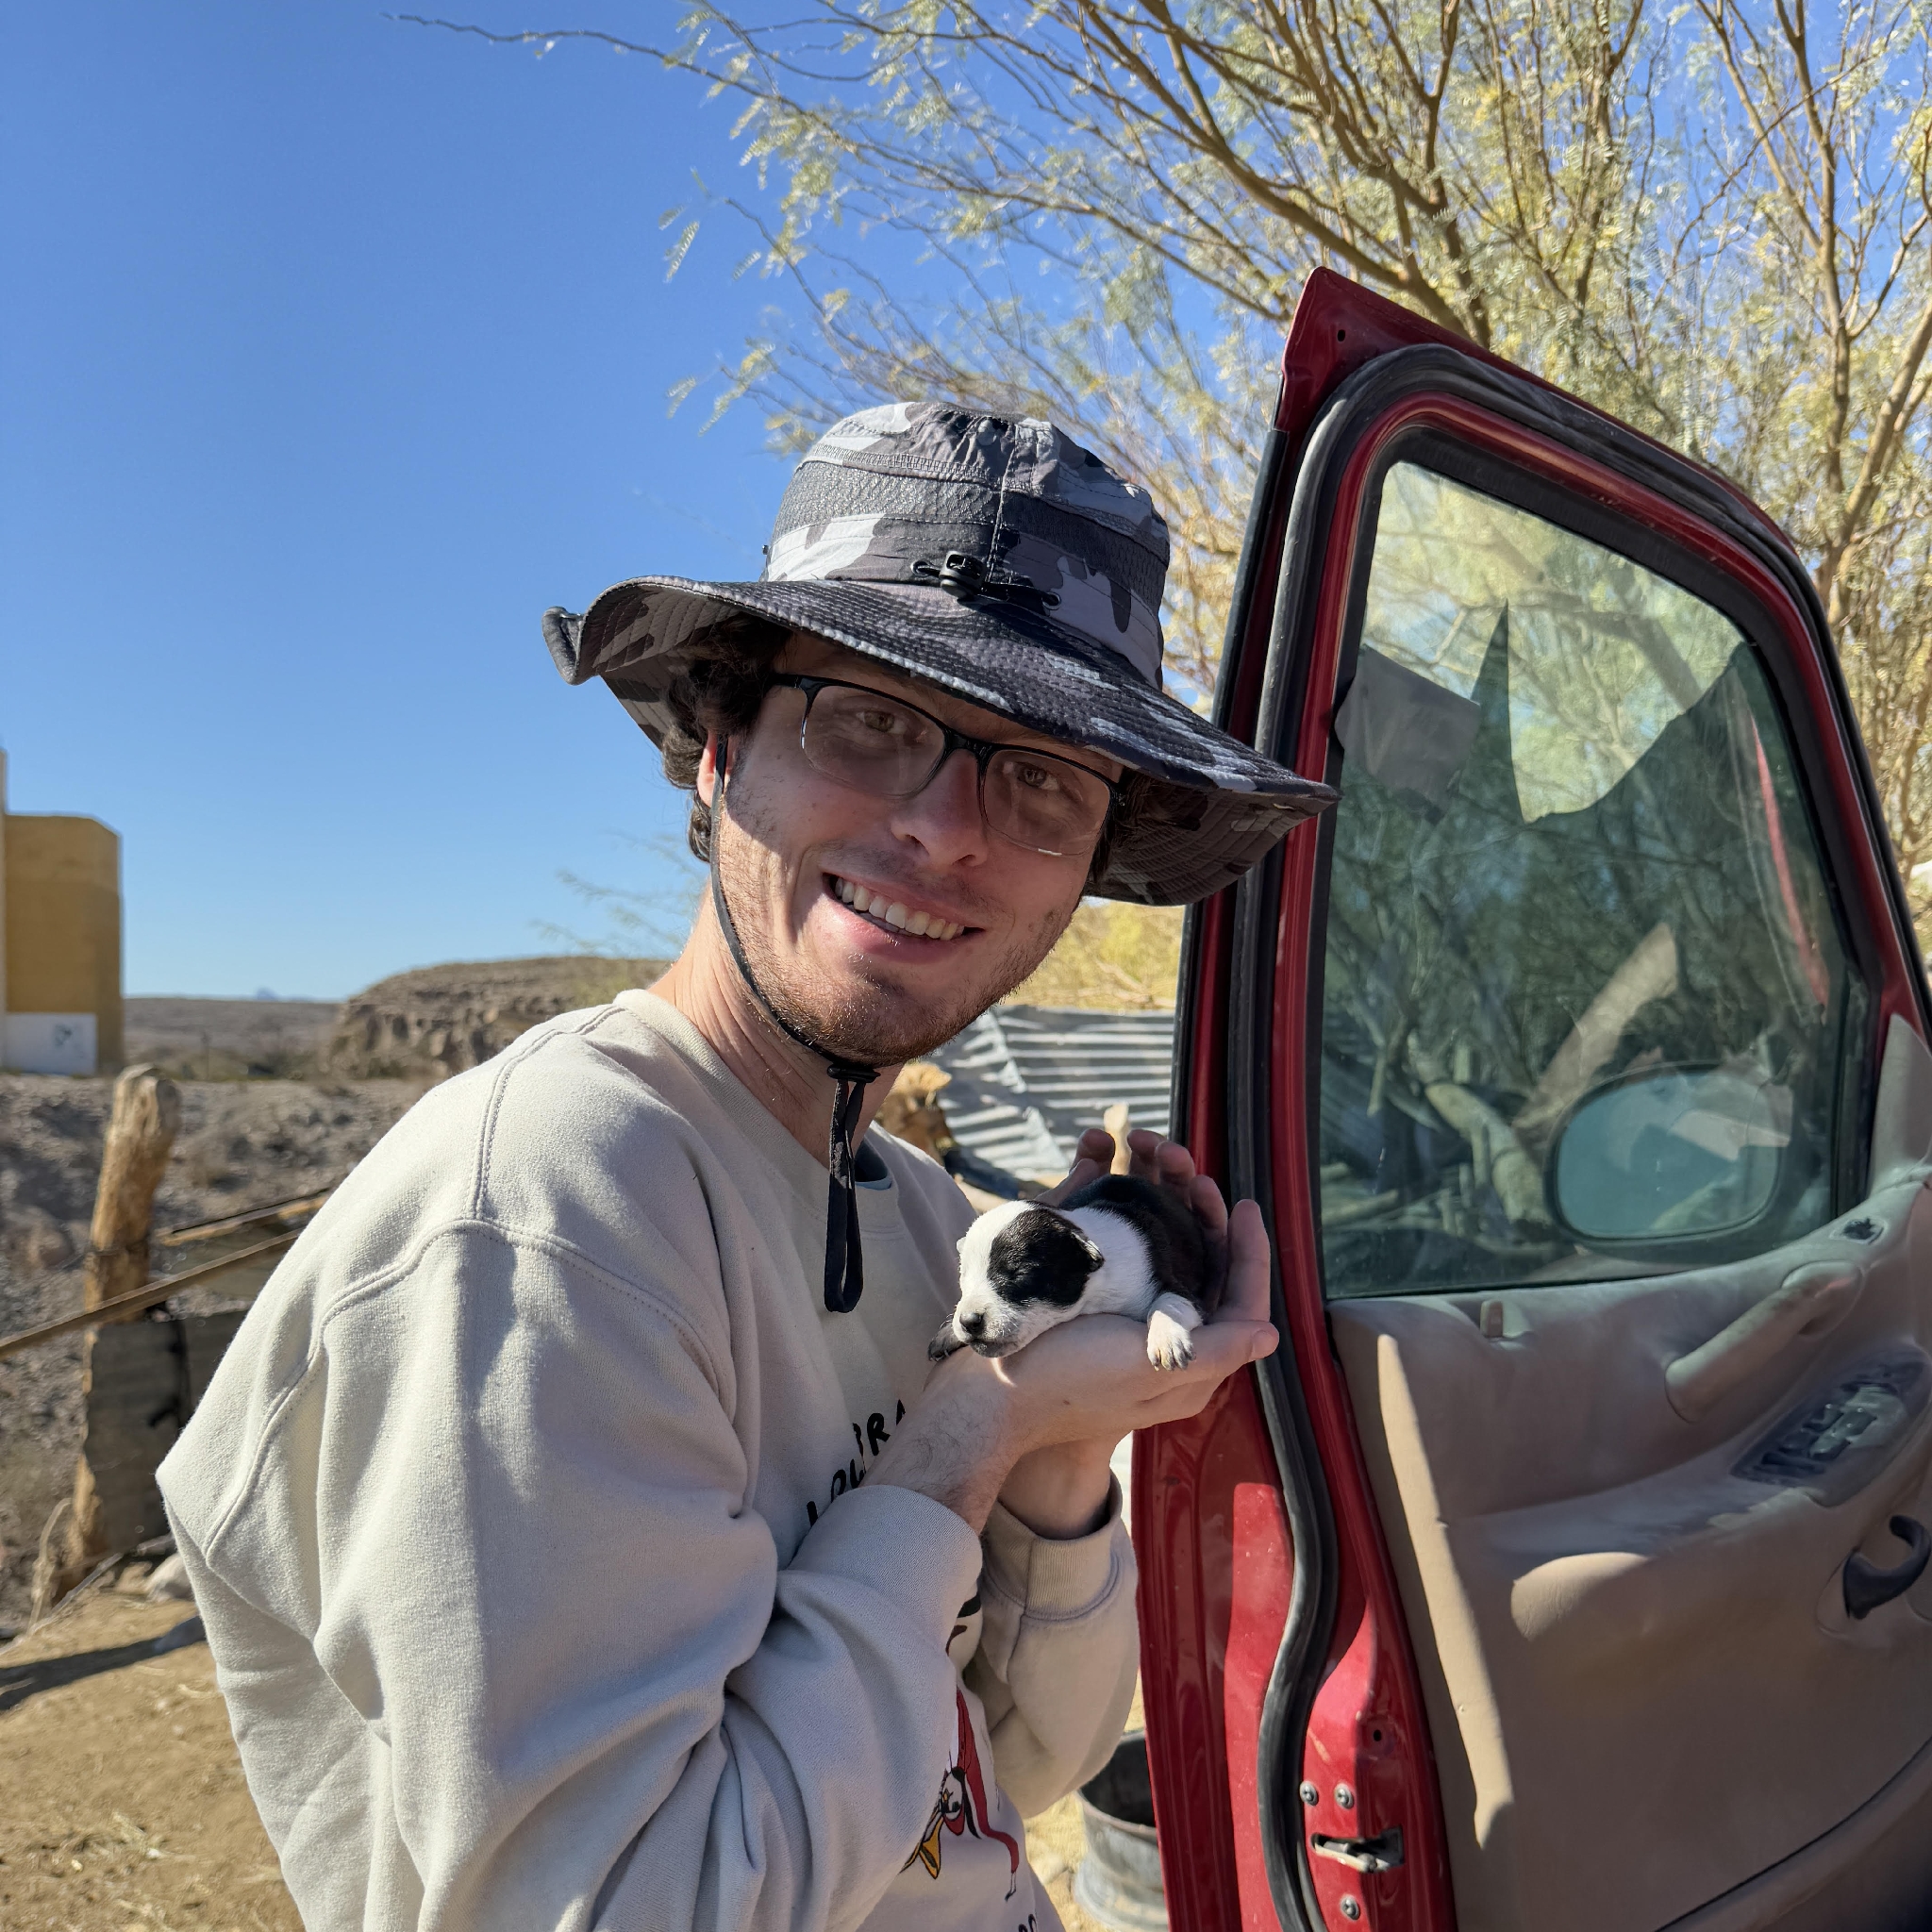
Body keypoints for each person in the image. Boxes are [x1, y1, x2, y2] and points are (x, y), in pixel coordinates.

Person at [158, 403, 1334, 1931]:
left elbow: (1015, 1766)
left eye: (1045, 779)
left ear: (1093, 856)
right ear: (718, 754)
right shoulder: (546, 1216)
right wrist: (962, 1439)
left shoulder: (919, 1218)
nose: (946, 830)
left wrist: (1058, 1440)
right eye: (868, 719)